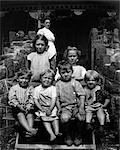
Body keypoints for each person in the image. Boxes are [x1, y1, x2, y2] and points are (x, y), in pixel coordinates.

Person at [56, 60, 85, 146]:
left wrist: (81, 107)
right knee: (64, 119)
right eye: (63, 72)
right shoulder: (58, 84)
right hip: (65, 107)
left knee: (81, 118)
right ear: (59, 73)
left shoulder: (75, 83)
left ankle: (78, 134)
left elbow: (82, 95)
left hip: (76, 106)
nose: (66, 74)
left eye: (68, 72)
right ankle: (67, 134)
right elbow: (56, 98)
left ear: (72, 72)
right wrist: (59, 108)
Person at [34, 69, 61, 142]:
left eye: (49, 78)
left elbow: (54, 100)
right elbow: (36, 100)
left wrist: (50, 109)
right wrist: (41, 109)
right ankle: (51, 134)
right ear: (40, 79)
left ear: (52, 80)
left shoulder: (53, 88)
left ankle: (56, 131)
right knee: (44, 118)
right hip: (42, 107)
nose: (47, 80)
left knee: (55, 118)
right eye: (45, 78)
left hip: (51, 107)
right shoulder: (37, 89)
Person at [8, 71, 37, 137]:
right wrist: (18, 105)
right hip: (17, 107)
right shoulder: (14, 88)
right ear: (18, 79)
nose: (24, 80)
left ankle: (29, 131)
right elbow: (12, 99)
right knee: (20, 114)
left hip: (28, 106)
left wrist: (29, 105)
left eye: (26, 79)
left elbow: (32, 98)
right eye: (22, 78)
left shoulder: (30, 88)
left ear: (29, 80)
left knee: (30, 115)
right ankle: (30, 130)